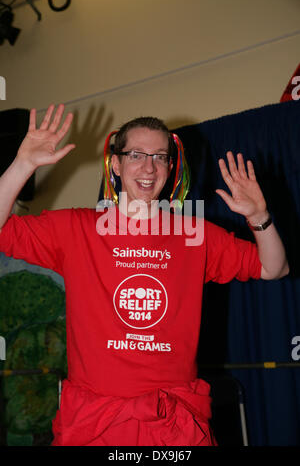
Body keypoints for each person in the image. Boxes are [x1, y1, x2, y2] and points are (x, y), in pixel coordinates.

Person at [0, 104, 289, 446]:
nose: (149, 167)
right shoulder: (77, 228)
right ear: (116, 164)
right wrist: (24, 165)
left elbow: (274, 268)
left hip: (175, 420)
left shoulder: (195, 234)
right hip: (95, 422)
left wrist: (259, 216)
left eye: (160, 156)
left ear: (171, 166)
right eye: (136, 154)